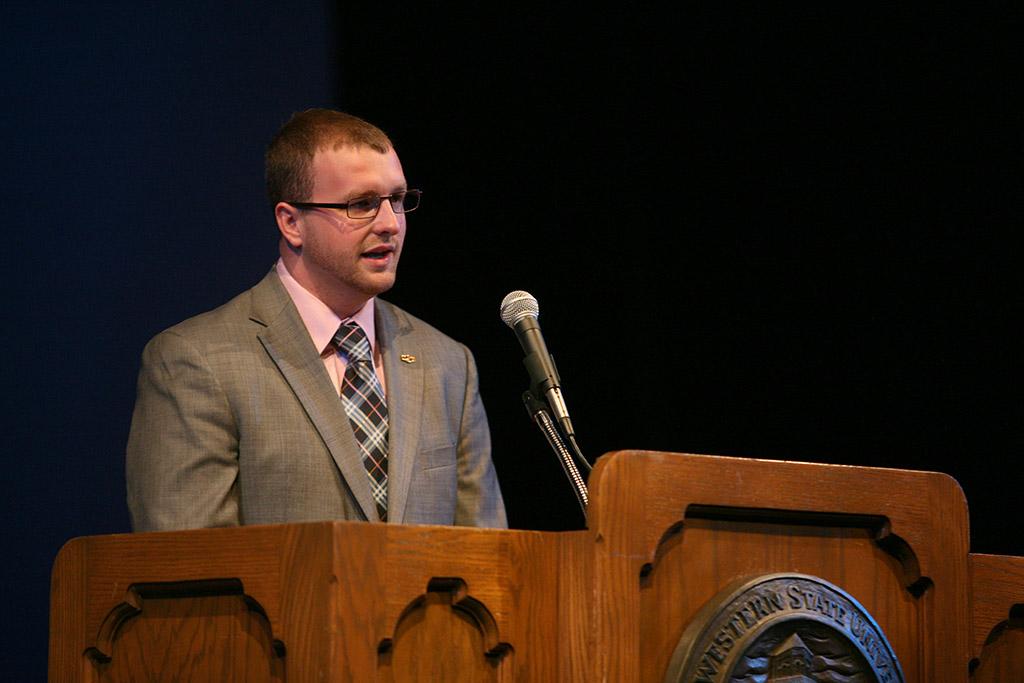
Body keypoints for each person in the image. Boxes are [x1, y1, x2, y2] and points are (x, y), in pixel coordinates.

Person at [126, 108, 506, 531]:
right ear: (292, 223)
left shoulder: (449, 364)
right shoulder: (196, 362)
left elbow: (486, 558)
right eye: (361, 204)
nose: (389, 224)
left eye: (397, 200)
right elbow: (190, 567)